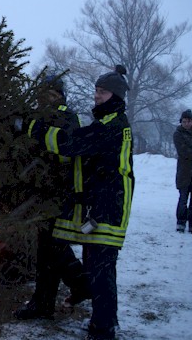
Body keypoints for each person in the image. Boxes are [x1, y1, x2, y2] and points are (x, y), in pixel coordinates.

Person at [24, 65, 134, 340]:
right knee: (77, 257)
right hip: (94, 205)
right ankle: (95, 317)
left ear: (116, 96)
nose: (97, 96)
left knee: (100, 268)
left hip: (107, 208)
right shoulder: (105, 123)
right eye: (97, 91)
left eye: (103, 92)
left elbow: (70, 144)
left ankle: (104, 328)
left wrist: (32, 129)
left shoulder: (111, 126)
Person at [13, 74, 91, 320]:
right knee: (49, 248)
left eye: (47, 93)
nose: (42, 97)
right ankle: (49, 300)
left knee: (52, 248)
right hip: (42, 192)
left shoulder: (68, 118)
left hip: (61, 193)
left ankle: (71, 288)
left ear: (58, 94)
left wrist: (30, 128)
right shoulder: (38, 116)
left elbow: (63, 147)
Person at [173, 109, 192, 233]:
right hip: (184, 172)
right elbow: (183, 152)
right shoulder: (178, 134)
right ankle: (181, 222)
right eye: (184, 121)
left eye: (189, 121)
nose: (186, 124)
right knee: (183, 199)